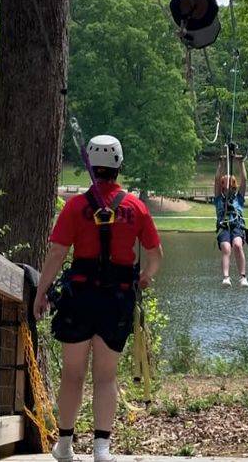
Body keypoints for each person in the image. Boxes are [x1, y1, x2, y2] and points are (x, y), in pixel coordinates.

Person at [34, 134, 163, 462]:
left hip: (79, 299)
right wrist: (145, 278)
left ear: (89, 165)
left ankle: (64, 444)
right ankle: (102, 449)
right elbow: (154, 254)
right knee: (105, 376)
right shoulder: (135, 208)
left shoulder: (77, 206)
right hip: (116, 301)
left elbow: (57, 252)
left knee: (72, 374)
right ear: (118, 165)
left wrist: (41, 291)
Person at [213, 144, 248, 287]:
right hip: (224, 227)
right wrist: (221, 164)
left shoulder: (238, 198)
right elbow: (216, 180)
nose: (228, 189)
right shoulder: (218, 199)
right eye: (225, 187)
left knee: (237, 245)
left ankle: (242, 277)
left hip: (237, 226)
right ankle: (226, 277)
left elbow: (244, 180)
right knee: (226, 248)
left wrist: (241, 164)